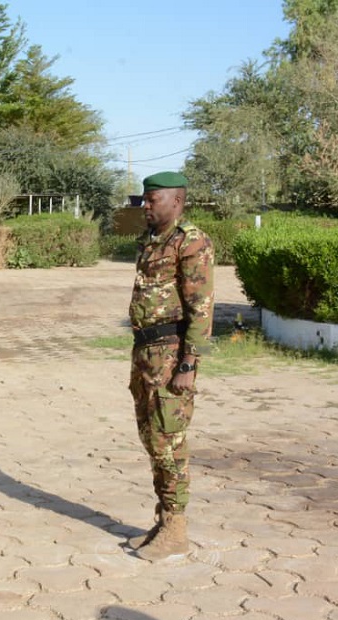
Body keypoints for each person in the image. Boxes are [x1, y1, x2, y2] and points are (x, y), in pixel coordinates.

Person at [126, 172, 214, 562]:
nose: (146, 205)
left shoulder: (191, 241)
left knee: (170, 441)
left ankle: (177, 528)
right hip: (145, 352)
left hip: (172, 355)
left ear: (176, 201)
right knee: (151, 438)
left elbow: (201, 306)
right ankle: (163, 519)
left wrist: (189, 363)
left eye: (152, 199)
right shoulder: (150, 241)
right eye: (145, 200)